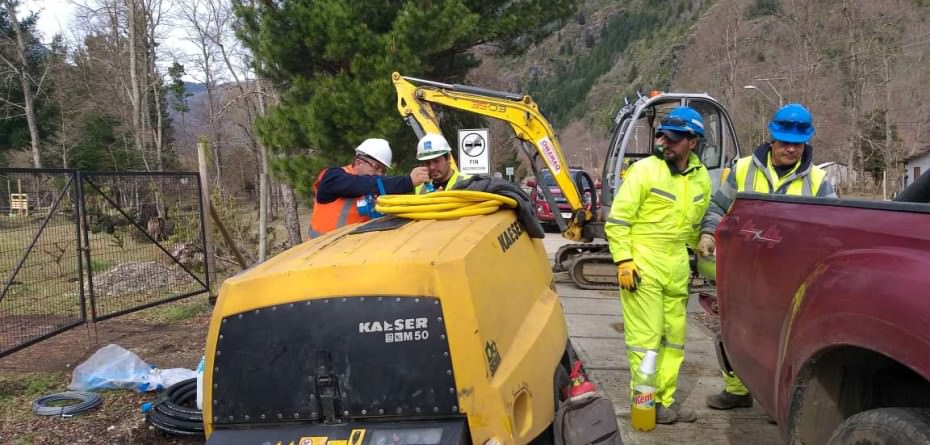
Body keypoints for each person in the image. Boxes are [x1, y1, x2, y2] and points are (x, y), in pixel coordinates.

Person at [698, 103, 836, 410]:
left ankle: (777, 401)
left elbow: (833, 225)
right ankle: (736, 391)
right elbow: (718, 207)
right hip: (744, 269)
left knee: (782, 340)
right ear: (772, 138)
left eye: (798, 144)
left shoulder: (817, 180)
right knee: (733, 331)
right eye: (785, 142)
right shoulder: (743, 169)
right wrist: (708, 233)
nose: (791, 149)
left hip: (789, 276)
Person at [604, 106, 712, 425]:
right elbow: (618, 222)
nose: (665, 143)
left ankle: (664, 399)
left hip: (677, 265)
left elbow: (694, 225)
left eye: (674, 139)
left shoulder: (701, 178)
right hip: (643, 265)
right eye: (663, 136)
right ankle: (645, 404)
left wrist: (704, 240)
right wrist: (624, 260)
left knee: (674, 338)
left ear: (693, 142)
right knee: (646, 340)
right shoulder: (644, 171)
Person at [308, 138, 429, 238]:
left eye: (383, 170)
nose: (379, 174)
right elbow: (360, 184)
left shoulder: (373, 187)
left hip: (352, 249)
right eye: (376, 167)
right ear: (359, 162)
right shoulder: (333, 177)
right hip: (320, 250)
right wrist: (407, 181)